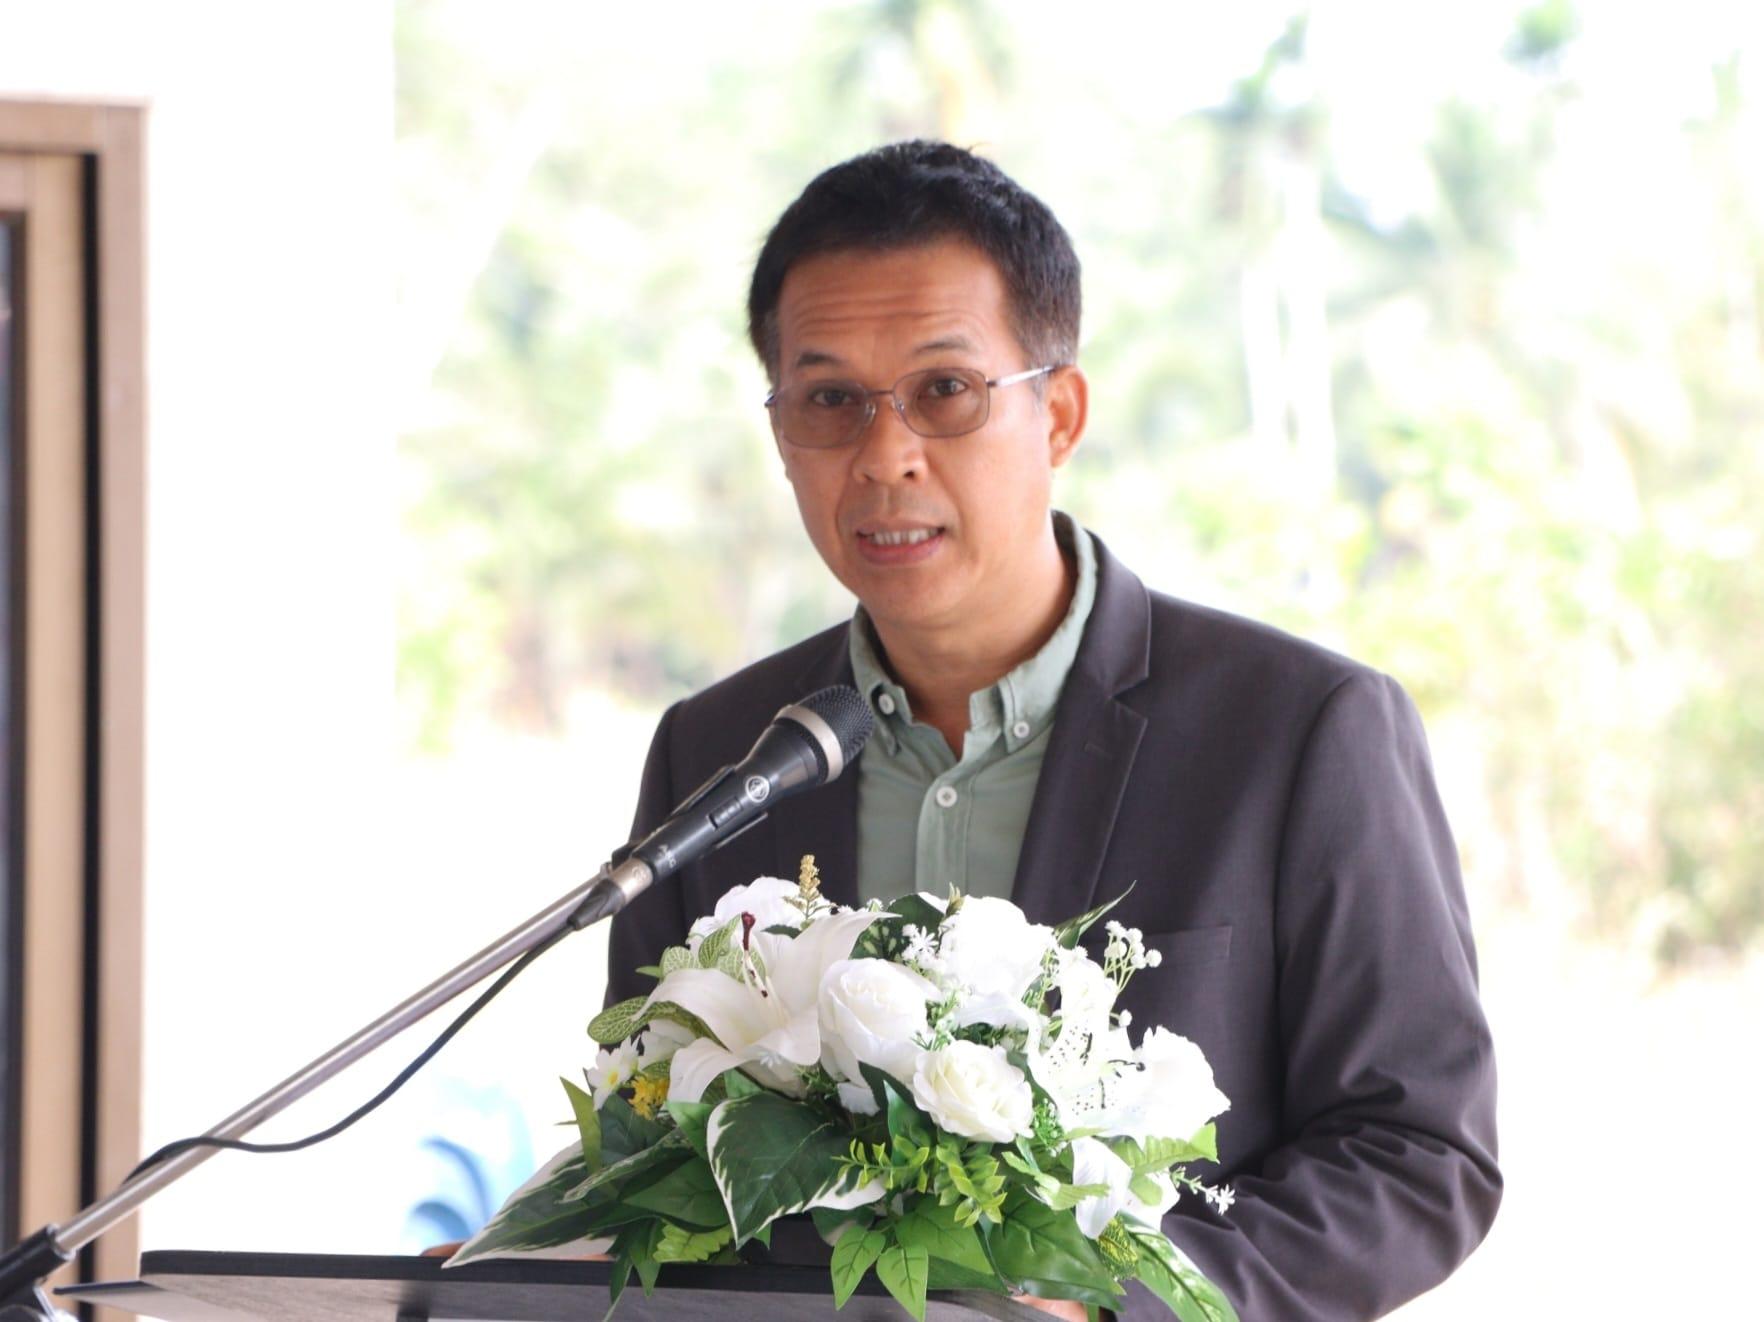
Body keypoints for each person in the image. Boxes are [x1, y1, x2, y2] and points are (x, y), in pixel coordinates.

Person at [605, 140, 1500, 1321]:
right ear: (780, 430)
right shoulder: (719, 752)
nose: (885, 456)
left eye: (945, 390)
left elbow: (1419, 1151)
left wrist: (1117, 1303)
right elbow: (649, 1133)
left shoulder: (1301, 732)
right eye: (829, 400)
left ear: (1059, 413)